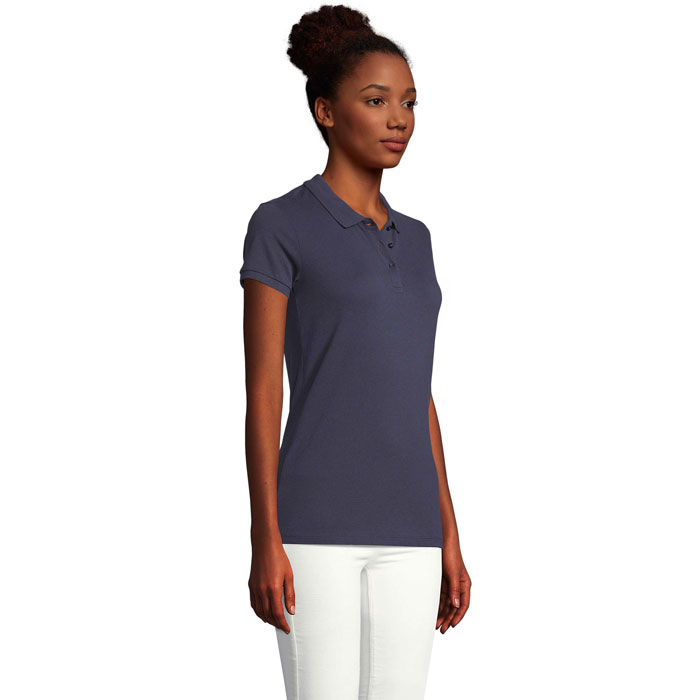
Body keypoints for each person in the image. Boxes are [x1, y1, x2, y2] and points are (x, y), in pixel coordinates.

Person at [239, 5, 471, 699]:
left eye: (409, 102)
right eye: (376, 101)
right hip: (314, 528)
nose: (398, 119)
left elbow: (416, 391)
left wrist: (449, 532)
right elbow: (263, 392)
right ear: (326, 112)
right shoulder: (280, 224)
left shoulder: (418, 238)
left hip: (412, 530)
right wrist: (264, 536)